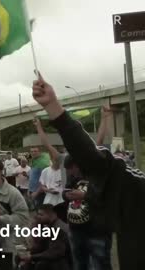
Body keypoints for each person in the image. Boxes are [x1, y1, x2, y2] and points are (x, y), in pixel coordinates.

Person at [32, 73, 145, 270]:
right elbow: (95, 158)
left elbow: (95, 148)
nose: (74, 169)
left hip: (98, 229)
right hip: (76, 228)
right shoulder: (135, 187)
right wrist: (53, 108)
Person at [62, 155, 113, 270]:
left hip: (97, 231)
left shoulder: (99, 176)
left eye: (71, 169)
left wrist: (85, 195)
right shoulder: (73, 178)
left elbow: (107, 198)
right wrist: (67, 195)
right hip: (76, 230)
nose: (71, 173)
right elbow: (65, 190)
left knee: (100, 264)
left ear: (77, 166)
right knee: (80, 264)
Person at [17, 204, 71, 270]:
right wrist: (28, 253)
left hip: (63, 261)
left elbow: (55, 252)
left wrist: (31, 257)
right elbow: (42, 246)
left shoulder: (58, 229)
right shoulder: (49, 226)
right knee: (19, 257)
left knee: (41, 264)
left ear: (51, 215)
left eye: (41, 215)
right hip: (53, 257)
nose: (38, 217)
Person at [28, 146, 50, 210]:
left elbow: (44, 182)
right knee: (37, 212)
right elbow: (32, 177)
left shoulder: (43, 163)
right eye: (31, 151)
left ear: (40, 152)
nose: (33, 153)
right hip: (32, 191)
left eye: (35, 151)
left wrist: (36, 193)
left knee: (42, 213)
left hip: (40, 193)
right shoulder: (34, 161)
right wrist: (29, 189)